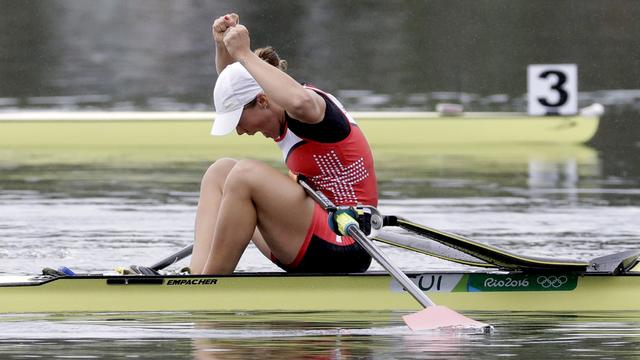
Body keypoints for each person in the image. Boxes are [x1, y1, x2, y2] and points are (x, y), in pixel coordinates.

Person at [190, 13, 378, 275]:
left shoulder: (308, 111)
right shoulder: (270, 102)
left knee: (244, 174)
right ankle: (197, 276)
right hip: (309, 234)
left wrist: (244, 52)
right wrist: (223, 46)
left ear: (264, 102)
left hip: (346, 241)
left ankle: (210, 286)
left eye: (239, 121)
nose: (241, 132)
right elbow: (237, 84)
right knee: (220, 172)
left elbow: (297, 101)